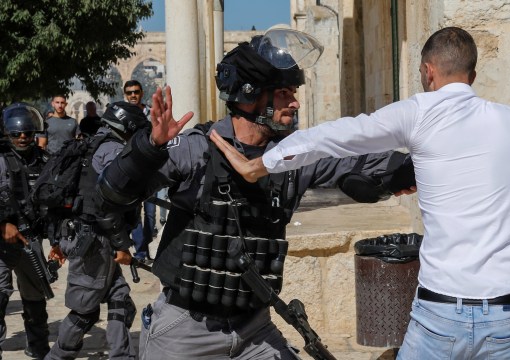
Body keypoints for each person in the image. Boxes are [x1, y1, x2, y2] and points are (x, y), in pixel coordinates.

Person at [210, 27, 510, 359]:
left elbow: (336, 136)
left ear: (428, 71)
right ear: (473, 74)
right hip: (505, 311)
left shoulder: (419, 113)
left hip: (442, 313)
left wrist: (261, 164)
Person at [96, 28, 415, 360]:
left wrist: (414, 167)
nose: (295, 102)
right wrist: (149, 148)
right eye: (284, 93)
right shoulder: (197, 148)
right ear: (251, 96)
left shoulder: (293, 157)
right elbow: (111, 193)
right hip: (184, 330)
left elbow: (359, 161)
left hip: (255, 329)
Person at [44, 102, 147, 360]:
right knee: (85, 310)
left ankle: (122, 355)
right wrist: (123, 245)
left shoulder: (90, 145)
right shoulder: (113, 151)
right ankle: (57, 356)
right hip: (95, 240)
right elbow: (107, 207)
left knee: (119, 299)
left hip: (86, 236)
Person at [0, 103, 55, 359]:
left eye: (27, 134)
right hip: (2, 240)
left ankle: (38, 348)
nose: (22, 138)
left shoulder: (44, 160)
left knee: (35, 297)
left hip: (29, 239)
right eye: (16, 134)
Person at [123, 80, 157, 262]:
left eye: (136, 92)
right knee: (135, 211)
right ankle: (141, 252)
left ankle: (146, 241)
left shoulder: (151, 113)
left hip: (150, 168)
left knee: (150, 214)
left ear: (141, 93)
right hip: (131, 167)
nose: (133, 95)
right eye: (129, 92)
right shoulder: (122, 114)